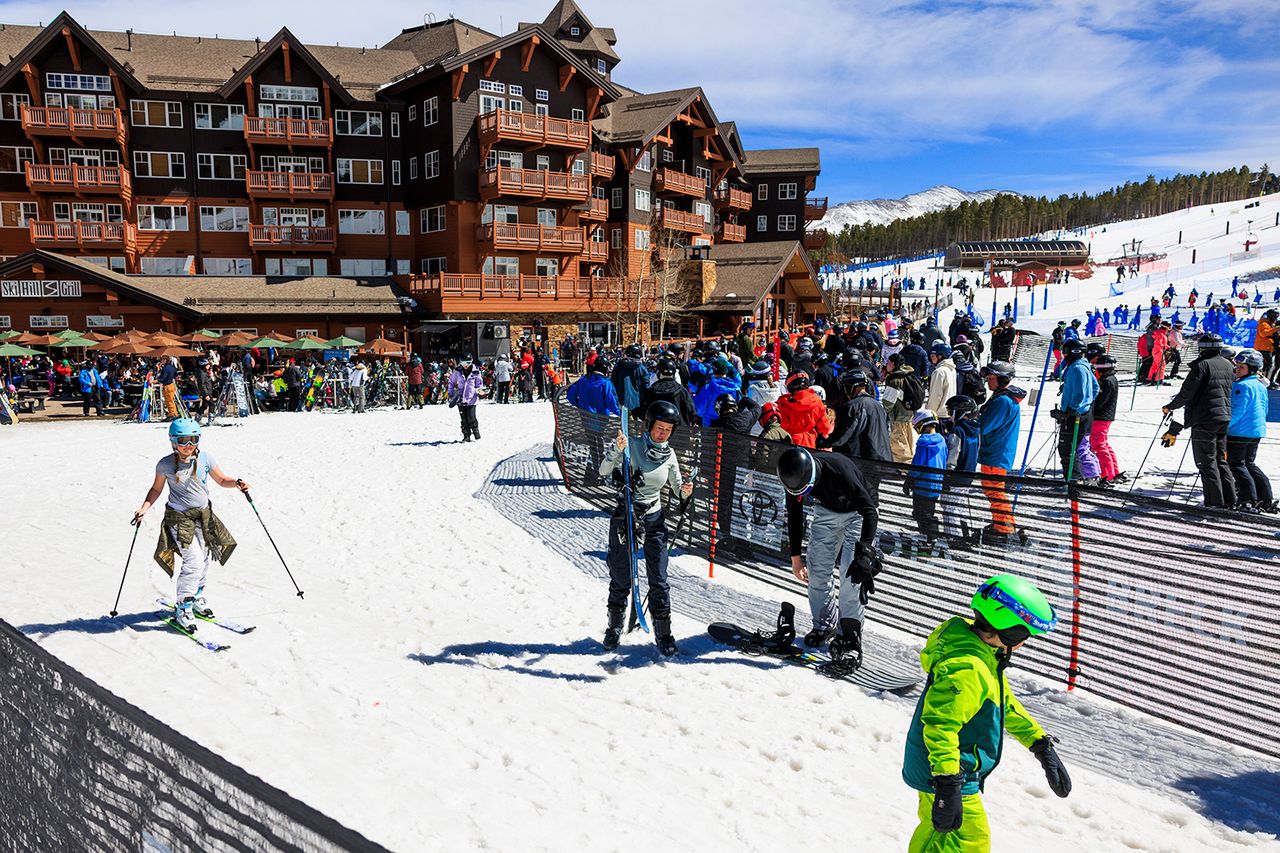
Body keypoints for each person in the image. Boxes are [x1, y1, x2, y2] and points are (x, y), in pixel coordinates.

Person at [902, 575, 1071, 853]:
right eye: (1025, 635)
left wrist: (1040, 744)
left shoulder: (982, 656)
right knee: (970, 843)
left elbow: (1003, 703)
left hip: (942, 768)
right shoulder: (969, 668)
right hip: (950, 771)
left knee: (937, 833)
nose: (1025, 643)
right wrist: (948, 783)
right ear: (1010, 632)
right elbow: (940, 726)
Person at [134, 418, 249, 632]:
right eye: (183, 440)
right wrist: (144, 508)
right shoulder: (165, 464)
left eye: (193, 440)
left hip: (204, 516)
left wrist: (237, 483)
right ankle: (183, 607)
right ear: (173, 441)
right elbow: (156, 489)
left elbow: (222, 480)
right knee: (194, 561)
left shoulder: (205, 458)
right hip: (179, 519)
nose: (188, 445)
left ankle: (196, 597)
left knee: (204, 559)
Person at [599, 401, 693, 656]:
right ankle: (614, 626)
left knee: (659, 579)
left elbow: (677, 487)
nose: (663, 433)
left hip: (652, 517)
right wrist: (616, 451)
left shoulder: (670, 455)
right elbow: (603, 470)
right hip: (626, 515)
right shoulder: (631, 444)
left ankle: (664, 633)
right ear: (649, 425)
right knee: (620, 575)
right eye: (659, 428)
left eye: (668, 429)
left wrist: (685, 491)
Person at [776, 446, 882, 662]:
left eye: (806, 491)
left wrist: (864, 554)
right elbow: (794, 516)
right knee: (816, 570)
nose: (803, 495)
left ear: (812, 476)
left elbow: (870, 511)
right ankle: (824, 625)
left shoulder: (839, 469)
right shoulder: (793, 477)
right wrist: (796, 558)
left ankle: (850, 634)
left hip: (858, 512)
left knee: (850, 572)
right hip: (827, 511)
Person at [1163, 333, 1235, 508]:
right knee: (1220, 460)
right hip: (1224, 416)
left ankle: (1214, 502)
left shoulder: (1201, 365)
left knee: (1206, 462)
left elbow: (1187, 392)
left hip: (1205, 418)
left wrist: (1170, 406)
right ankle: (1229, 499)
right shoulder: (1227, 364)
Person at [977, 362, 1023, 544]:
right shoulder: (1002, 397)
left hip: (996, 452)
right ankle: (1001, 524)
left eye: (991, 378)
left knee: (994, 491)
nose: (988, 382)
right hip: (995, 450)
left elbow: (985, 426)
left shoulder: (1003, 401)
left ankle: (1004, 529)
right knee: (993, 490)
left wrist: (970, 424)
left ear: (1002, 379)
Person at [1227, 350, 1275, 512]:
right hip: (1255, 431)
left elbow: (1237, 410)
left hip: (1239, 432)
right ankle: (1265, 498)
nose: (1237, 369)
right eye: (1237, 366)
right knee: (1249, 464)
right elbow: (1265, 408)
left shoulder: (1241, 386)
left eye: (1242, 367)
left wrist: (1223, 427)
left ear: (1252, 369)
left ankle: (1247, 499)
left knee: (1237, 465)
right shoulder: (1260, 385)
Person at [1054, 339, 1100, 483]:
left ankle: (1075, 478)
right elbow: (1095, 388)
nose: (1064, 355)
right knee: (1080, 446)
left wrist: (1070, 410)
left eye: (1066, 352)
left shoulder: (1077, 368)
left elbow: (1080, 394)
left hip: (1076, 416)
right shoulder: (1083, 366)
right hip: (1083, 414)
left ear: (1074, 352)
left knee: (1068, 448)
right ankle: (1089, 475)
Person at [903, 410, 946, 541]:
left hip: (922, 484)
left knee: (920, 512)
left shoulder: (924, 443)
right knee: (929, 510)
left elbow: (918, 464)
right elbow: (944, 460)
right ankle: (928, 536)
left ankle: (930, 538)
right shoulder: (942, 440)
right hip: (936, 484)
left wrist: (910, 479)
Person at [883, 354, 923, 463]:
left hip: (898, 418)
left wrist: (884, 413)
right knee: (908, 443)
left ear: (893, 363)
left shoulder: (895, 379)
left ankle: (903, 469)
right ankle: (909, 464)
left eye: (888, 362)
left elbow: (888, 402)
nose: (886, 365)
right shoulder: (909, 375)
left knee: (899, 447)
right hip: (908, 415)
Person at [776, 371, 830, 449]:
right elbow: (825, 427)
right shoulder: (817, 402)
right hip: (809, 442)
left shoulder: (783, 403)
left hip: (787, 442)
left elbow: (780, 424)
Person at [1090, 355, 1121, 487]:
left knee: (1099, 445)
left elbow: (1100, 402)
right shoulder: (1111, 379)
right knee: (1104, 444)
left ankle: (1107, 475)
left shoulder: (1107, 381)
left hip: (1101, 417)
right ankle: (1113, 471)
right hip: (1105, 417)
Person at [639, 357, 696, 425]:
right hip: (679, 430)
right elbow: (691, 411)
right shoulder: (682, 391)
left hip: (656, 430)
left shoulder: (651, 391)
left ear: (659, 373)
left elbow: (643, 412)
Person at [449, 354, 485, 442]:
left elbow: (479, 383)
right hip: (460, 398)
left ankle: (476, 431)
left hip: (471, 398)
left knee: (471, 417)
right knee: (464, 419)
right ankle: (466, 435)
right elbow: (451, 382)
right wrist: (451, 393)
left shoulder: (476, 371)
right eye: (464, 363)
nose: (466, 365)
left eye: (468, 363)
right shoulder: (457, 371)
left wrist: (479, 390)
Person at [926, 342, 957, 418]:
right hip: (949, 412)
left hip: (938, 414)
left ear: (940, 356)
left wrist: (929, 412)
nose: (931, 357)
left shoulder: (939, 372)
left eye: (933, 355)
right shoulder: (952, 369)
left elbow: (936, 395)